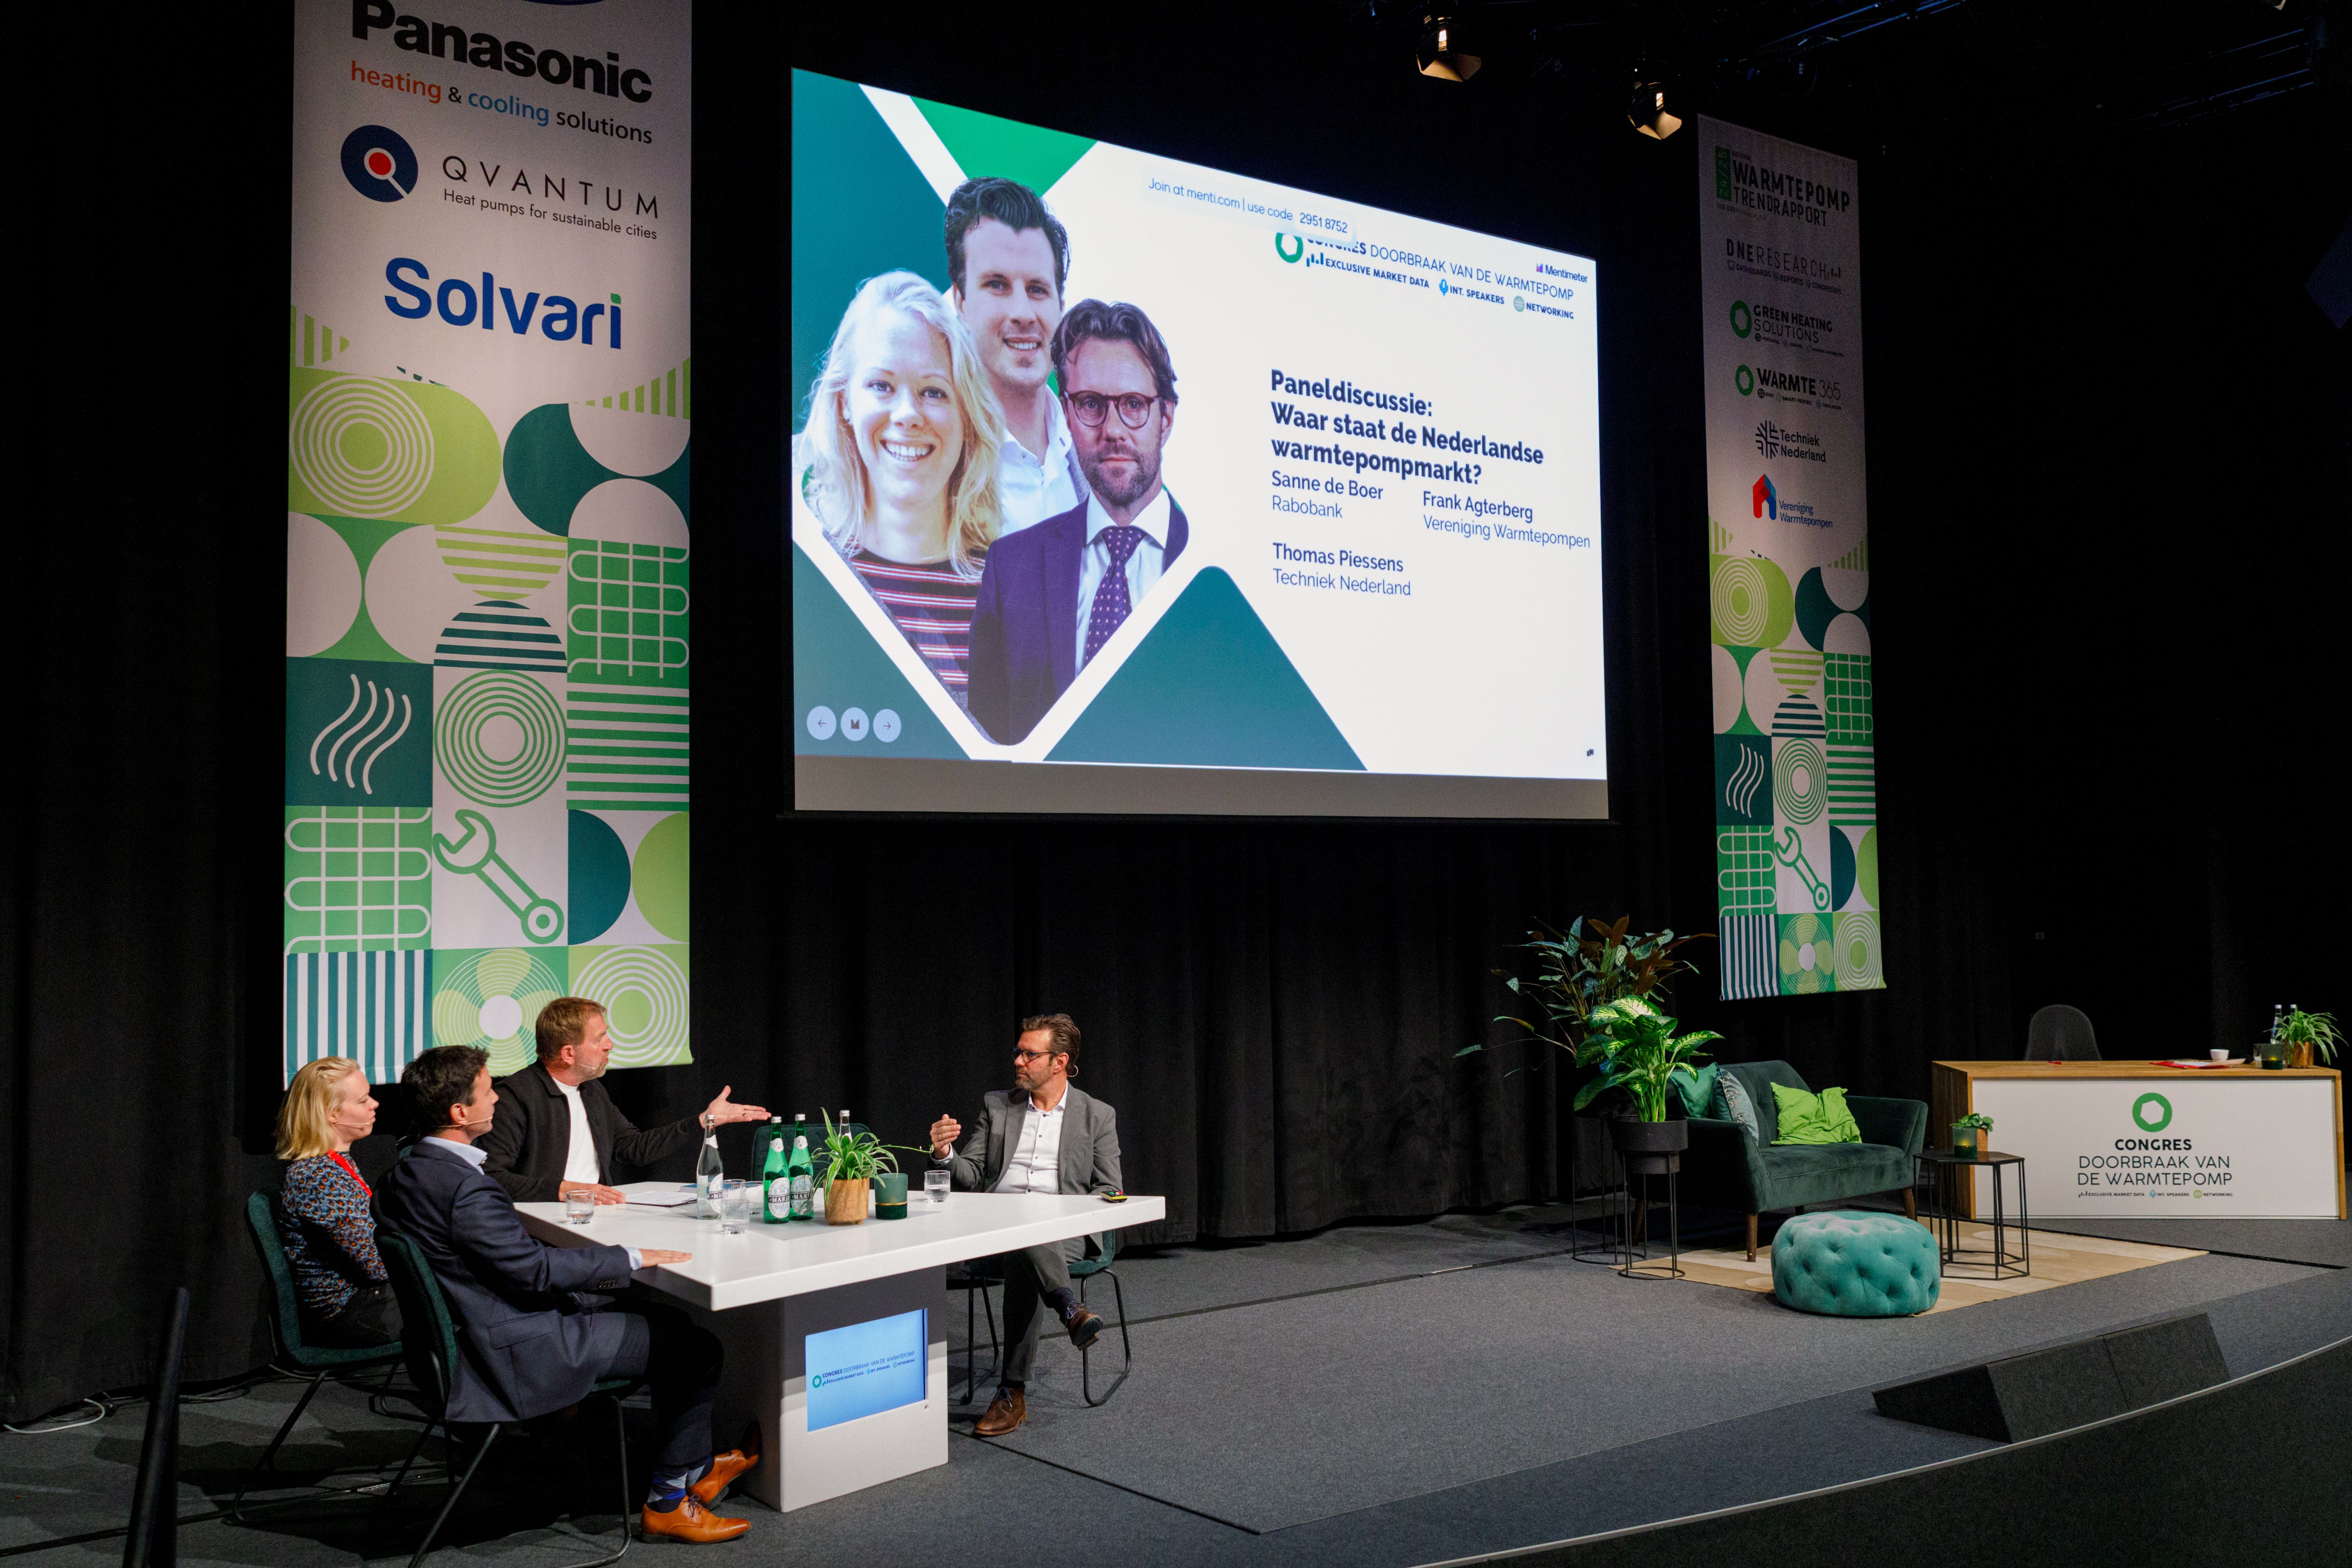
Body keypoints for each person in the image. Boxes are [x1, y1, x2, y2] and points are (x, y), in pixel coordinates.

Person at [378, 1045, 754, 1543]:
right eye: (489, 1090)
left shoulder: (403, 1172)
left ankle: (695, 1464)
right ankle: (668, 1501)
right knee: (696, 1349)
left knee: (671, 1324)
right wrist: (629, 1257)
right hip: (514, 1349)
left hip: (464, 1334)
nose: (498, 1098)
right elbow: (533, 1270)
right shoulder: (466, 1188)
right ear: (459, 1112)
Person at [965, 300, 1188, 745]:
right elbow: (985, 755)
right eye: (1090, 404)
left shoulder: (1215, 562)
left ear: (1166, 417)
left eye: (1133, 404)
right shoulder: (1010, 569)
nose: (1113, 429)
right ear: (1067, 414)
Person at [795, 270, 1008, 713]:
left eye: (934, 391)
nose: (908, 414)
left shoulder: (1019, 592)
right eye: (881, 386)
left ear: (966, 415)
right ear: (844, 404)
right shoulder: (805, 574)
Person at [926, 1015, 1123, 1437]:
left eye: (1029, 1054)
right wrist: (944, 1153)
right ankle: (1069, 1309)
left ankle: (1012, 1393)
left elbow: (1110, 1189)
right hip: (993, 1229)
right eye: (1018, 1051)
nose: (1018, 1060)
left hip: (1064, 1235)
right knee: (1021, 1238)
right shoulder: (998, 1106)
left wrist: (1060, 1214)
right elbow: (973, 1175)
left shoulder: (1096, 1115)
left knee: (1028, 1243)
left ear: (1059, 1062)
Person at [480, 997, 768, 1206]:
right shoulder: (515, 1097)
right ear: (568, 1053)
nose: (610, 1045)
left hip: (600, 1215)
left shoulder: (592, 1090)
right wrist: (565, 1189)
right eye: (600, 1038)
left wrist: (703, 1121)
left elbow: (633, 1148)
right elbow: (491, 1176)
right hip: (541, 1226)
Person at [944, 177, 1088, 532]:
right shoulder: (932, 460)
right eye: (997, 285)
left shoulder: (1093, 449)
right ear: (960, 301)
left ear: (1060, 306)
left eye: (1037, 289)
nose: (1023, 312)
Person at [274, 1056, 402, 1348]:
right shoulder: (317, 1177)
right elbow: (377, 1266)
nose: (375, 1104)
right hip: (351, 1313)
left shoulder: (336, 1162)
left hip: (371, 1298)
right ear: (331, 1114)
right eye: (363, 1100)